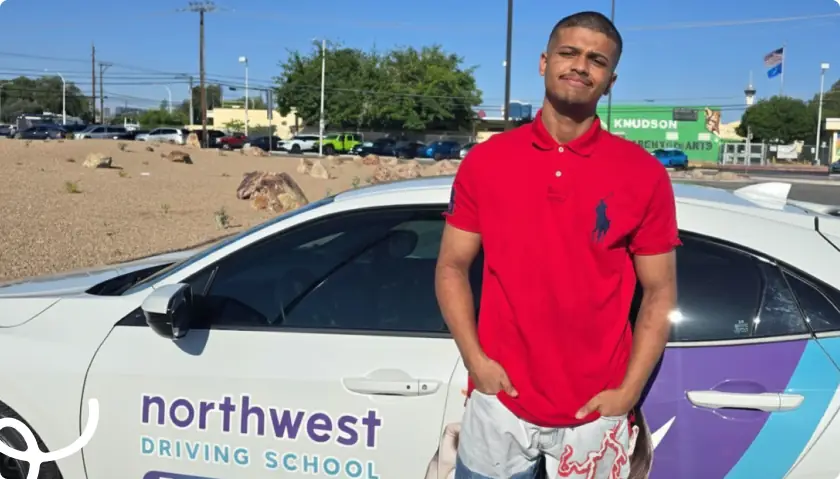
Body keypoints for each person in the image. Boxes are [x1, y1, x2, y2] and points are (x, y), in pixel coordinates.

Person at [434, 10, 679, 479]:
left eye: (596, 60)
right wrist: (476, 362)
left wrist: (627, 393)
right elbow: (450, 267)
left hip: (594, 413)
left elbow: (661, 292)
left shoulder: (642, 174)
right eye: (569, 53)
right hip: (499, 404)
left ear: (610, 81)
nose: (580, 66)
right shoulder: (486, 163)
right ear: (544, 62)